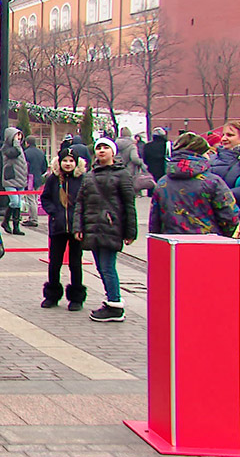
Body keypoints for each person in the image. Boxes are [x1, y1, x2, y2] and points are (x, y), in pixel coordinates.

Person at [72, 138, 137, 323]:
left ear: (113, 152)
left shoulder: (122, 174)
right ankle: (111, 300)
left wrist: (130, 232)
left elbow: (129, 204)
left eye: (105, 148)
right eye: (99, 147)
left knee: (108, 267)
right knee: (101, 267)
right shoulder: (90, 175)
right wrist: (78, 226)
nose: (101, 151)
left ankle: (115, 303)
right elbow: (80, 202)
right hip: (92, 226)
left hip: (111, 226)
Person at [151, 133, 239, 236]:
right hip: (208, 245)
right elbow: (229, 218)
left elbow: (155, 222)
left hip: (173, 246)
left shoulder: (162, 183)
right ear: (200, 154)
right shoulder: (212, 182)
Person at [39, 148, 86, 310]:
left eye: (71, 161)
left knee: (75, 263)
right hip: (57, 226)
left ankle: (76, 298)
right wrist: (54, 212)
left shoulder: (82, 180)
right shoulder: (53, 179)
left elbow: (86, 201)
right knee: (55, 262)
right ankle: (52, 295)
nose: (68, 164)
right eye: (65, 160)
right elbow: (45, 198)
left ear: (76, 163)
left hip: (76, 228)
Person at [0, 127, 27, 236]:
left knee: (19, 203)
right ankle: (5, 221)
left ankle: (16, 226)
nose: (19, 138)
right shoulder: (7, 148)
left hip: (20, 178)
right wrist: (16, 142)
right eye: (16, 136)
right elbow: (15, 153)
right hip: (10, 178)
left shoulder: (20, 147)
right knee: (14, 201)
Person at [210, 121, 240, 202]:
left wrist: (223, 196)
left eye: (230, 135)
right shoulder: (211, 159)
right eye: (223, 135)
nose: (223, 139)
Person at [22, 135, 47, 227]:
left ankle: (33, 219)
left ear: (27, 143)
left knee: (31, 199)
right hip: (38, 177)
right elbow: (44, 166)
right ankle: (32, 217)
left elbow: (24, 166)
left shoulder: (26, 153)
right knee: (35, 198)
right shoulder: (41, 152)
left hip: (30, 178)